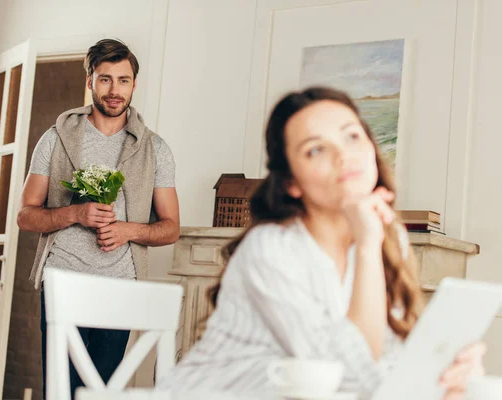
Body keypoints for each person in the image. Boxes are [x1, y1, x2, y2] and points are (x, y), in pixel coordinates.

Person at [158, 87, 485, 399]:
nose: (343, 155)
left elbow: (384, 354)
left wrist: (443, 375)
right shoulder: (271, 249)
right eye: (316, 149)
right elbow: (340, 376)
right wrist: (369, 248)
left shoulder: (387, 235)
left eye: (352, 136)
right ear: (292, 182)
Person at [17, 38, 180, 398]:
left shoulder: (155, 149)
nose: (114, 90)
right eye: (105, 79)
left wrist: (127, 230)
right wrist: (75, 213)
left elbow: (171, 228)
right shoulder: (55, 139)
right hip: (63, 280)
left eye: (123, 80)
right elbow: (26, 216)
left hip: (120, 284)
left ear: (134, 84)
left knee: (103, 392)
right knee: (61, 391)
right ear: (90, 80)